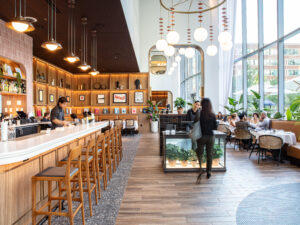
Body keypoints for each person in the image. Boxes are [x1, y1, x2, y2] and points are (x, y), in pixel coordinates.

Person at [194, 98, 217, 184]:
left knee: (199, 152)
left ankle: (200, 169)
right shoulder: (213, 115)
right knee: (209, 154)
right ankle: (209, 172)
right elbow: (215, 127)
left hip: (201, 136)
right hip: (211, 137)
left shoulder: (199, 114)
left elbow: (195, 123)